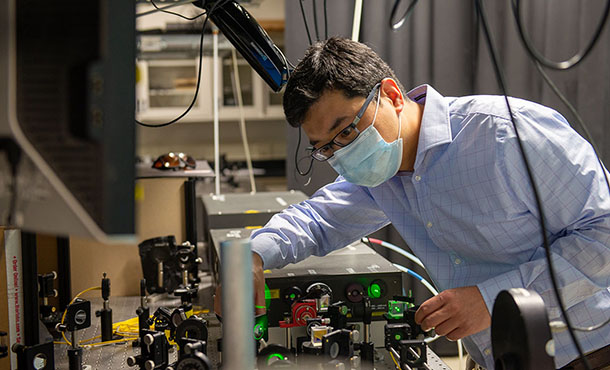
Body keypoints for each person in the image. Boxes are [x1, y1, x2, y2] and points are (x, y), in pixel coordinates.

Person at [215, 37, 610, 369]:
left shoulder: (508, 134)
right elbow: (317, 219)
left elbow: (604, 236)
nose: (342, 154)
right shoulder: (380, 175)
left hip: (590, 350)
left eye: (346, 130)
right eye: (326, 148)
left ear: (390, 95)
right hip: (503, 355)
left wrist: (493, 299)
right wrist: (250, 256)